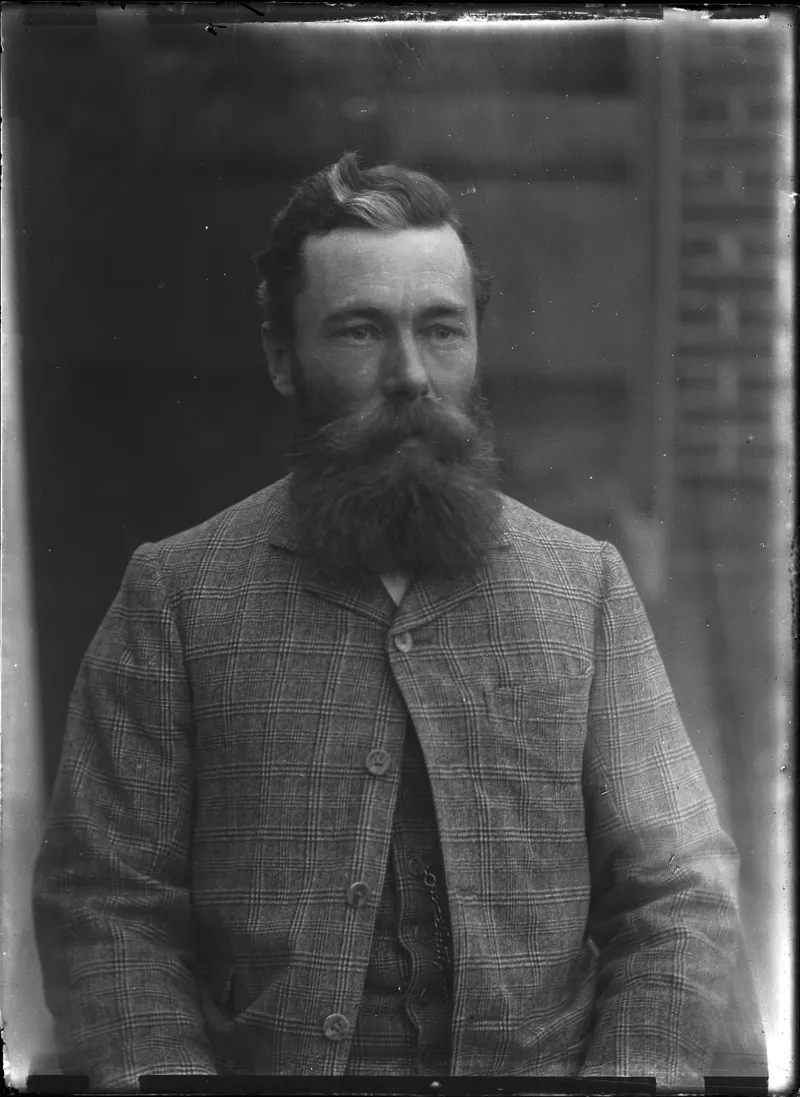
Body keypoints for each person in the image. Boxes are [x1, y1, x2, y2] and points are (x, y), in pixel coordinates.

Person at [33, 152, 765, 1091]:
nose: (411, 374)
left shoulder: (584, 589)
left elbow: (679, 893)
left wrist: (626, 1080)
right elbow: (105, 908)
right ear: (281, 356)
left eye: (442, 329)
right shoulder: (176, 596)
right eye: (360, 330)